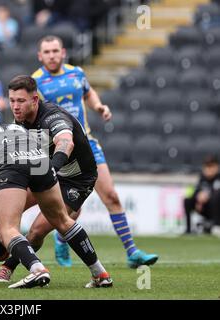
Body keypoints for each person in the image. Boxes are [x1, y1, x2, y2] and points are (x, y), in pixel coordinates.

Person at [0, 75, 113, 288]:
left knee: (40, 229)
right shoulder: (21, 120)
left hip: (76, 179)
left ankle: (9, 265)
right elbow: (20, 160)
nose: (15, 106)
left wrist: (49, 171)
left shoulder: (53, 117)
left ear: (35, 100)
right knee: (7, 213)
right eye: (12, 100)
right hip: (44, 171)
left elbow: (65, 143)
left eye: (21, 101)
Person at [31, 35, 158, 268]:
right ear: (40, 56)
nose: (51, 55)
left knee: (111, 196)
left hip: (87, 145)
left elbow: (87, 93)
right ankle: (59, 240)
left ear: (63, 52)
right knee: (70, 208)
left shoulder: (76, 73)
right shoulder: (35, 82)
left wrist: (98, 106)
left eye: (55, 51)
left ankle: (132, 251)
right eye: (46, 52)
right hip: (57, 150)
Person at [184, 155, 220, 235]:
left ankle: (217, 225)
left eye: (211, 166)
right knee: (187, 200)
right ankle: (188, 229)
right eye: (206, 166)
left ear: (216, 167)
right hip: (204, 207)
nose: (208, 169)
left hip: (217, 209)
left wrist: (208, 195)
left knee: (217, 197)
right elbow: (196, 191)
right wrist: (198, 197)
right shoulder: (202, 178)